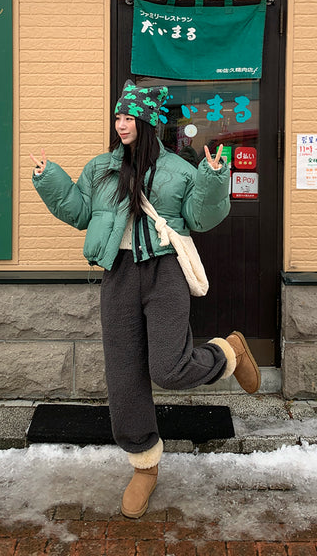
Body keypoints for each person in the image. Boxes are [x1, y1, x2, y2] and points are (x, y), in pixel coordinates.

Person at [30, 80, 260, 519]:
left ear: (149, 121)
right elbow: (79, 213)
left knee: (168, 369)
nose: (120, 124)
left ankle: (228, 352)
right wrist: (49, 179)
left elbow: (201, 217)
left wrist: (213, 178)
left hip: (164, 272)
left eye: (128, 116)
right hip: (117, 276)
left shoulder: (178, 170)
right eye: (117, 116)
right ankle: (144, 465)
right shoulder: (100, 168)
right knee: (124, 376)